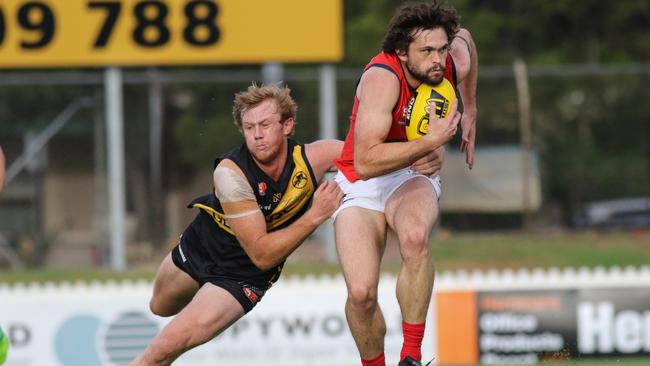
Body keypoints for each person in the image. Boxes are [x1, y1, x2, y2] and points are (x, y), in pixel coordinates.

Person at [129, 83, 344, 366]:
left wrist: (420, 150)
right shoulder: (230, 175)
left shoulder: (315, 158)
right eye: (249, 127)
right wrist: (316, 215)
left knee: (162, 351)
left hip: (241, 276)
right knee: (159, 307)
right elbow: (262, 250)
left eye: (265, 124)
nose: (257, 135)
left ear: (287, 125)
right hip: (200, 248)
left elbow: (369, 157)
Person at [332, 1, 478, 366]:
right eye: (426, 51)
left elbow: (468, 42)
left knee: (415, 236)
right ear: (401, 51)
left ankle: (411, 357)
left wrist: (471, 108)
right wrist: (430, 143)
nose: (436, 59)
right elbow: (365, 162)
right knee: (362, 294)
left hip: (410, 174)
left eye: (441, 49)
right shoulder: (382, 79)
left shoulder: (448, 61)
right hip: (361, 179)